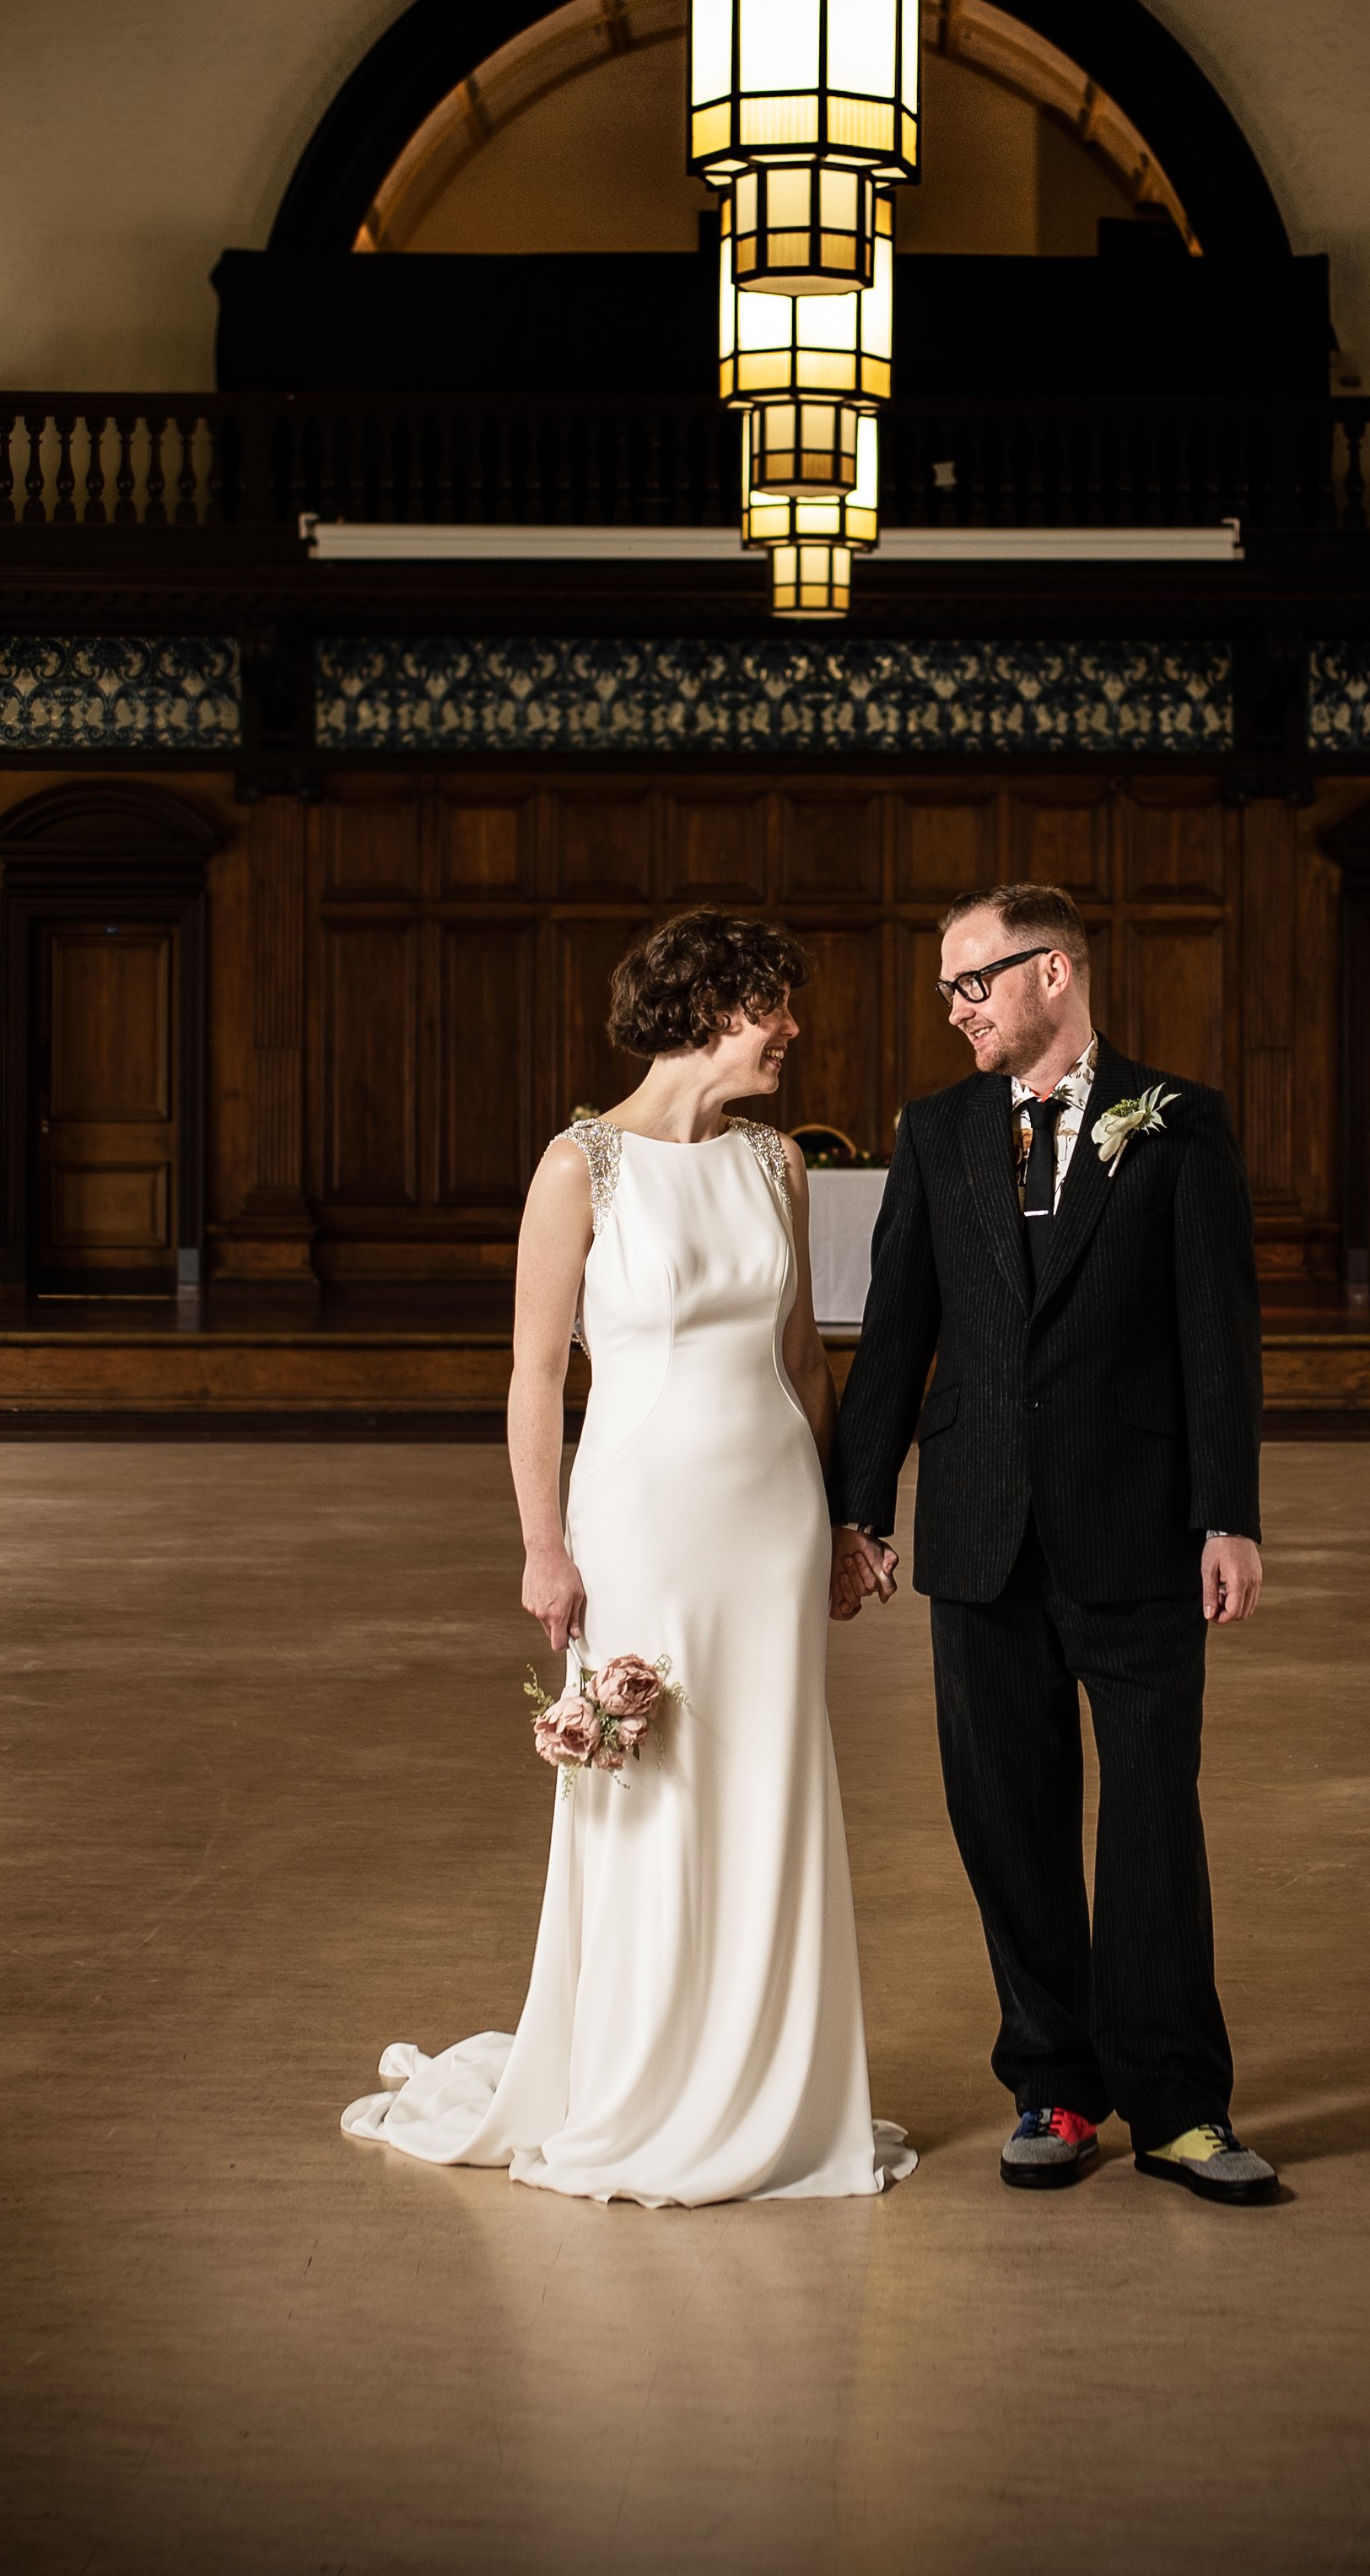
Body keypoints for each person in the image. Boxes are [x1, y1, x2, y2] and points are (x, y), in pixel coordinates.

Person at [341, 907, 912, 2206]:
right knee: (651, 1781)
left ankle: (773, 2089)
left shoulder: (776, 1160)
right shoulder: (578, 1165)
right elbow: (538, 1376)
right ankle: (643, 2081)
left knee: (767, 1778)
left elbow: (803, 1358)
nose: (793, 1030)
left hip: (767, 1514)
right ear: (713, 1009)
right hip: (640, 1513)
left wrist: (833, 1523)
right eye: (775, 1003)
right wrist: (545, 1546)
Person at [828, 883, 1276, 2204]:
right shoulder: (939, 1131)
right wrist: (863, 1510)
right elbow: (895, 1333)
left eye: (980, 981)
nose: (959, 1008)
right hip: (978, 1535)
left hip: (1137, 1531)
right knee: (1006, 1821)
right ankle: (1056, 2087)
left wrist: (1229, 1513)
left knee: (1150, 1819)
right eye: (949, 991)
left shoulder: (1181, 1124)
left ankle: (1182, 2107)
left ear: (1057, 973)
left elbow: (1219, 1340)